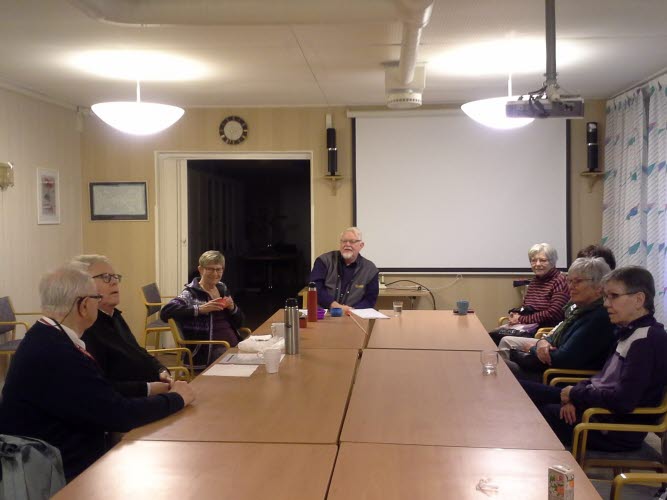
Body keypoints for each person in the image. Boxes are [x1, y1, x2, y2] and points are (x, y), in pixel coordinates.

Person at [0, 264, 195, 482]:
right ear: (84, 305)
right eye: (95, 298)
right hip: (56, 474)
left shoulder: (45, 336)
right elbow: (118, 415)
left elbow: (100, 397)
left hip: (54, 457)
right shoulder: (58, 352)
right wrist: (177, 398)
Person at [520, 266, 667, 451]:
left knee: (533, 415)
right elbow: (602, 379)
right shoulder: (629, 331)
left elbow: (623, 400)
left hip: (612, 428)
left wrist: (575, 395)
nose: (606, 304)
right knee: (521, 389)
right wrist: (574, 396)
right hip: (596, 409)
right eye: (605, 297)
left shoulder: (646, 340)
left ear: (639, 299)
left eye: (613, 296)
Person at [499, 257, 615, 381]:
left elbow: (563, 358)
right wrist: (542, 343)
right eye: (569, 281)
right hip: (548, 367)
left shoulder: (597, 317)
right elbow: (555, 336)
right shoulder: (581, 310)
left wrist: (532, 349)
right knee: (499, 364)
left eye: (577, 281)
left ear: (599, 286)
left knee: (500, 368)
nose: (571, 286)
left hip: (559, 378)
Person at [73, 254, 173, 397]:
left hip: (153, 390)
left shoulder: (114, 316)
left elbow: (137, 351)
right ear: (83, 286)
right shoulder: (86, 328)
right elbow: (99, 389)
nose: (114, 282)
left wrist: (160, 370)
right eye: (106, 277)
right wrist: (148, 388)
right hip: (131, 402)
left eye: (115, 277)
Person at [160, 250, 245, 369]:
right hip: (208, 351)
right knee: (241, 365)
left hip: (233, 344)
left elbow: (240, 323)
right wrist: (199, 309)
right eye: (210, 269)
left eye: (218, 269)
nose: (215, 273)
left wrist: (233, 308)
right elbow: (165, 312)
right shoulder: (191, 293)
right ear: (200, 269)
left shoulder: (222, 288)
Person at [490, 243, 569, 344]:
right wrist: (517, 314)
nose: (537, 264)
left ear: (552, 262)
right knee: (492, 336)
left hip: (544, 332)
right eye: (533, 260)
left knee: (500, 339)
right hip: (528, 326)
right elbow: (526, 307)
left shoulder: (560, 280)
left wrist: (521, 319)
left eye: (543, 260)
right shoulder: (534, 281)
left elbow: (554, 313)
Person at [309, 227, 379, 314]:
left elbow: (370, 299)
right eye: (344, 241)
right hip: (325, 315)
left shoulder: (370, 269)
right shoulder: (324, 261)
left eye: (352, 241)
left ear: (361, 245)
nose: (347, 244)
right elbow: (315, 288)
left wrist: (352, 311)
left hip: (355, 316)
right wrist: (335, 306)